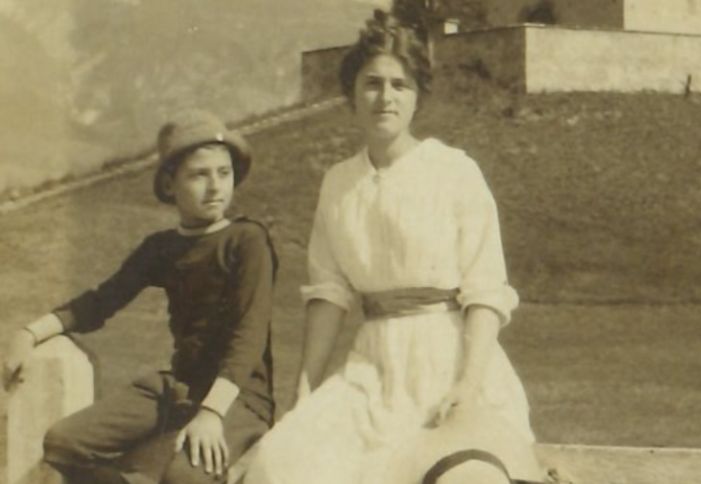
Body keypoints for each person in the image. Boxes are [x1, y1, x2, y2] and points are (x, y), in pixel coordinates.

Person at [244, 10, 540, 484]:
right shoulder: (338, 184)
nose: (386, 97)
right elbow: (329, 294)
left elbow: (486, 292)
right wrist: (305, 393)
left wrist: (467, 386)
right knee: (277, 465)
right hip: (372, 372)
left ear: (417, 96)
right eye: (372, 84)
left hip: (451, 363)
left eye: (400, 85)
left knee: (464, 476)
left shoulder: (454, 171)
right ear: (352, 94)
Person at [2, 109, 278, 484]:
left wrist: (212, 414)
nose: (215, 186)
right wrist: (30, 333)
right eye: (199, 175)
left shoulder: (247, 240)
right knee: (63, 442)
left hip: (239, 397)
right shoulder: (161, 248)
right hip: (178, 388)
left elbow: (249, 335)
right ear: (170, 184)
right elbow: (101, 302)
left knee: (184, 478)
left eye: (224, 173)